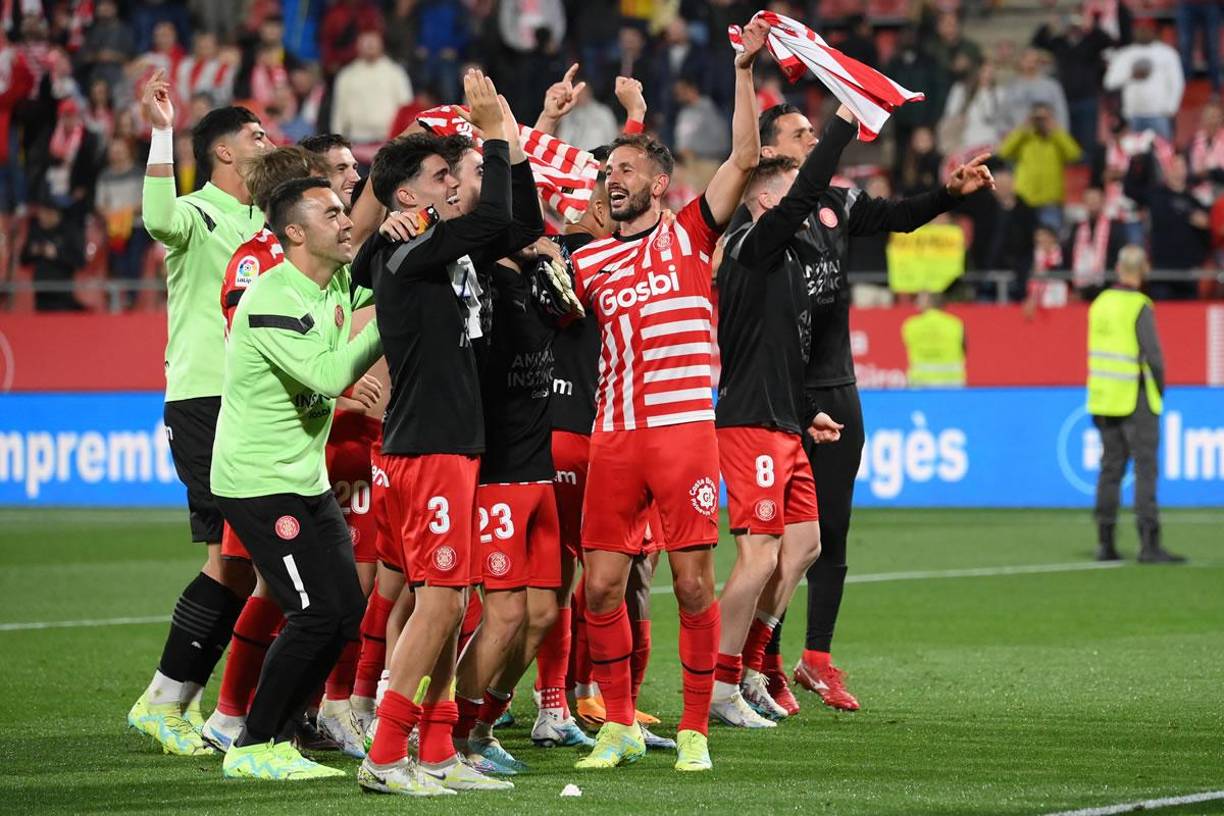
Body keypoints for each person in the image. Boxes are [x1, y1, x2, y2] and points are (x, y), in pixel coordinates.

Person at [565, 18, 767, 773]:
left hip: (683, 435)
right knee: (600, 589)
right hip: (614, 436)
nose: (610, 178)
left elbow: (745, 158)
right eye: (605, 171)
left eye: (624, 168)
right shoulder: (587, 265)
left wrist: (742, 71)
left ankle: (693, 729)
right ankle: (618, 723)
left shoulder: (689, 234)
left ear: (657, 184)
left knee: (690, 584)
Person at [749, 102, 994, 713]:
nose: (812, 139)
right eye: (800, 133)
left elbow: (899, 217)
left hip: (837, 387)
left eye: (815, 131)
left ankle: (816, 657)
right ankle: (763, 660)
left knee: (831, 532)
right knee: (777, 540)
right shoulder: (758, 218)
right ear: (770, 150)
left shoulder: (837, 203)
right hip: (779, 395)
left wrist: (949, 194)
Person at [354, 69, 534, 797]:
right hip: (427, 447)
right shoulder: (406, 249)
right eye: (439, 176)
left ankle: (434, 748)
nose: (453, 183)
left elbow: (517, 226)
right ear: (406, 196)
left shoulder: (432, 244)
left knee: (452, 603)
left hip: (447, 444)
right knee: (436, 604)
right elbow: (492, 224)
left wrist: (509, 147)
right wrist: (492, 136)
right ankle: (384, 753)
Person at [212, 176, 383, 780]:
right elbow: (330, 373)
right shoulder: (272, 298)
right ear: (295, 233)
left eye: (343, 210)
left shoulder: (332, 283)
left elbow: (378, 250)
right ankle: (251, 743)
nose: (346, 221)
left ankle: (280, 737)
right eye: (331, 213)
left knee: (343, 613)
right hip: (259, 483)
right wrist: (392, 316)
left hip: (304, 480)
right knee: (312, 615)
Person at [127, 70, 269, 757]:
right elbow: (157, 219)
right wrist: (162, 133)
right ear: (223, 151)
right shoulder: (198, 213)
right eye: (257, 136)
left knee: (243, 563)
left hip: (255, 402)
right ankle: (169, 700)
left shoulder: (268, 224)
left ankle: (178, 699)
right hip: (203, 400)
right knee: (232, 556)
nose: (269, 142)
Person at [710, 108, 856, 730]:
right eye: (796, 194)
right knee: (759, 557)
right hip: (750, 423)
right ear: (770, 201)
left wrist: (807, 411)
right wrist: (843, 122)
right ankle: (719, 686)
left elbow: (778, 350)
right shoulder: (753, 245)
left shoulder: (788, 261)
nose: (809, 205)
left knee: (804, 546)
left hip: (784, 421)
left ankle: (749, 667)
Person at [1087, 246, 1185, 564]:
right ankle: (1149, 543)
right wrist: (1160, 388)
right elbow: (1153, 356)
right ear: (1144, 270)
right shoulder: (1139, 305)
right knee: (1145, 470)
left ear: (1118, 268)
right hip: (1134, 396)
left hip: (1103, 396)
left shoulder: (1100, 303)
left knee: (1110, 470)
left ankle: (1105, 542)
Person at [998, 102, 1081, 231]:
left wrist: (1056, 130)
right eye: (1037, 118)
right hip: (1025, 199)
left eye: (1044, 118)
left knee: (1050, 238)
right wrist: (1023, 129)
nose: (1040, 122)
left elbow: (1075, 155)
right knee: (1022, 237)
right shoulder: (1024, 139)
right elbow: (1003, 153)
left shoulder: (1056, 139)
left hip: (1050, 200)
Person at [1103, 20, 1184, 140]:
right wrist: (1130, 75)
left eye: (1147, 29)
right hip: (1132, 114)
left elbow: (1177, 82)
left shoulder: (1167, 53)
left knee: (1162, 149)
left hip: (1159, 114)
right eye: (1140, 29)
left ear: (1155, 31)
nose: (1143, 32)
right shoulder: (1125, 54)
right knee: (1133, 150)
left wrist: (1171, 108)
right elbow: (1109, 82)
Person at [902, 291, 967, 387]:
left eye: (919, 299)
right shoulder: (955, 324)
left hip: (921, 382)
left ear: (928, 302)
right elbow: (964, 349)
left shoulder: (910, 325)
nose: (916, 302)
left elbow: (908, 345)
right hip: (951, 382)